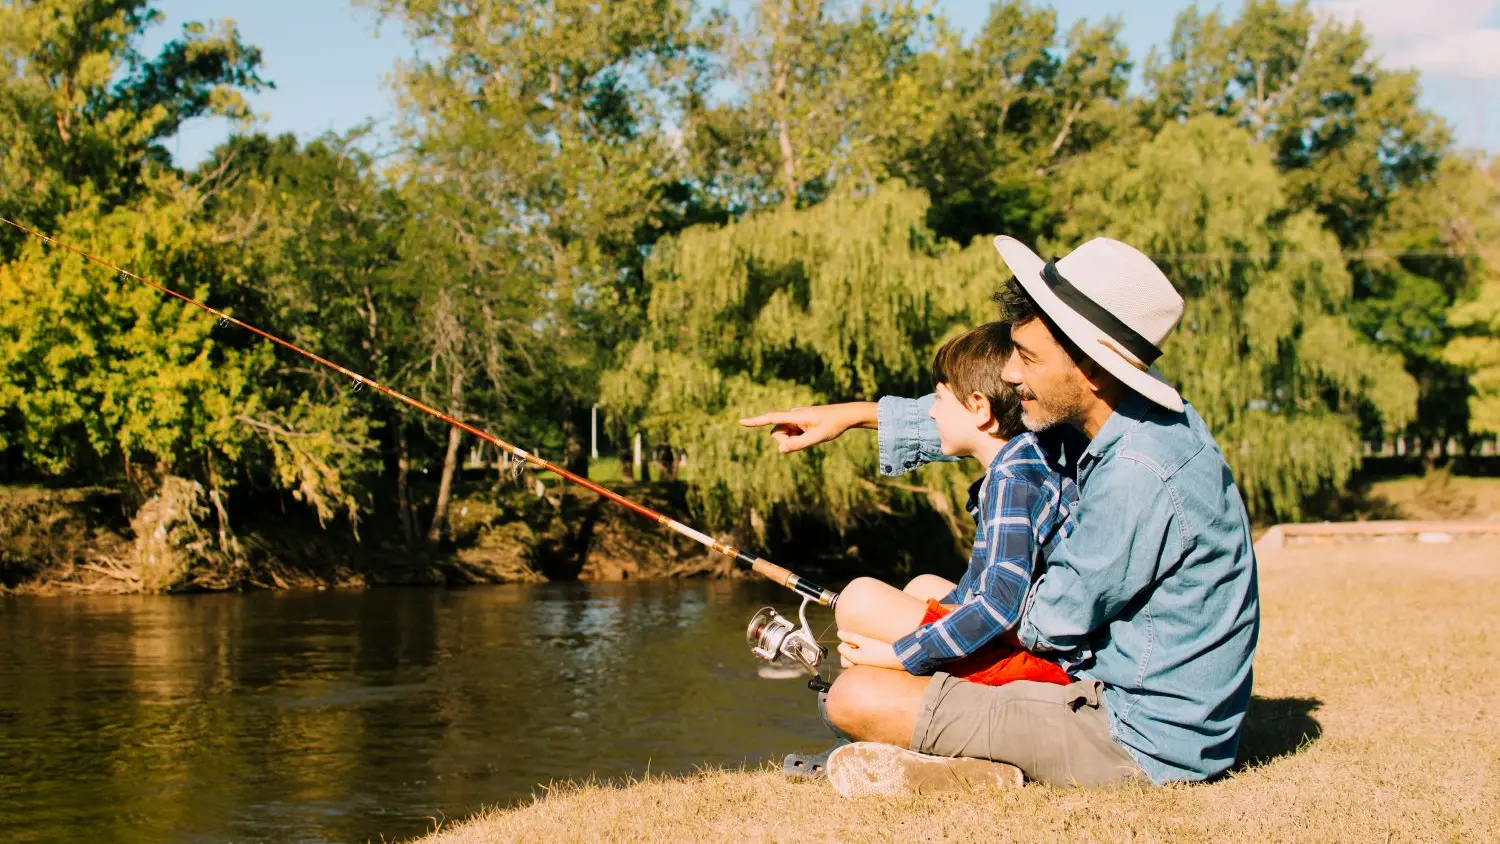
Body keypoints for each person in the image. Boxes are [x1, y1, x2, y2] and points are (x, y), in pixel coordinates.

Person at [741, 235, 1260, 796]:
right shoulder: (1121, 420)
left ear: (1092, 367)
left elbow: (1045, 625)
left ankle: (975, 771)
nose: (1011, 374)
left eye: (1028, 358)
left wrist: (907, 648)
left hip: (1133, 734)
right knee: (920, 591)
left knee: (855, 694)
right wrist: (850, 415)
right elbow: (992, 426)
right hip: (1103, 675)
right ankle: (964, 741)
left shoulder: (1139, 472)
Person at [832, 321, 1072, 691]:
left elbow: (998, 606)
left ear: (979, 408)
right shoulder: (1031, 457)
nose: (931, 413)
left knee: (857, 600)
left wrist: (898, 654)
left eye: (939, 400)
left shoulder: (1012, 482)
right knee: (921, 585)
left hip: (1045, 673)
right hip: (1033, 646)